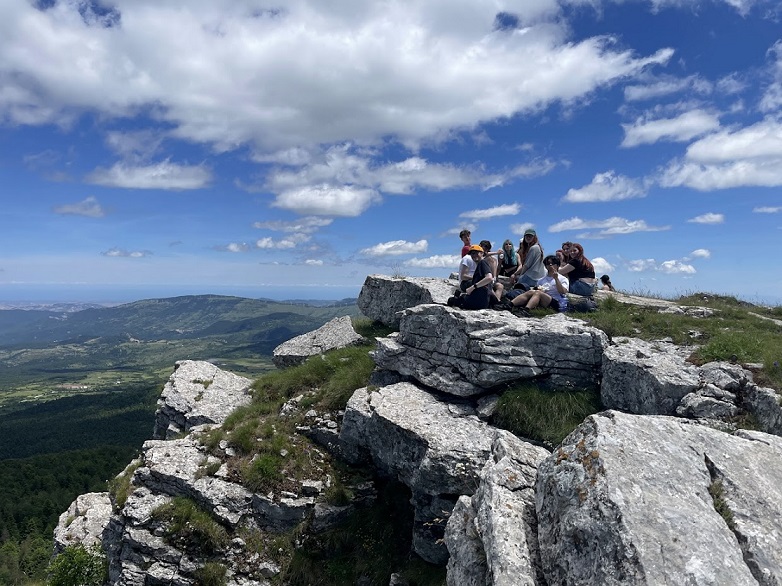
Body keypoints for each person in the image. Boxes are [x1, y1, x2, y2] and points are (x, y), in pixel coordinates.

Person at [449, 245, 494, 310]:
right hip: (482, 302)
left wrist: (473, 287)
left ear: (482, 253)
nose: (474, 255)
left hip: (476, 302)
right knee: (462, 296)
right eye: (472, 254)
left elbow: (489, 278)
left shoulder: (482, 262)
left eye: (476, 253)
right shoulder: (480, 265)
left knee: (451, 301)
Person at [479, 240, 504, 305]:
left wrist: (494, 278)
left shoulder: (493, 259)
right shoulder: (480, 258)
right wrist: (496, 252)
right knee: (488, 287)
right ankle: (497, 302)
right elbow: (484, 254)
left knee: (500, 286)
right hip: (483, 280)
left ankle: (495, 302)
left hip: (492, 279)